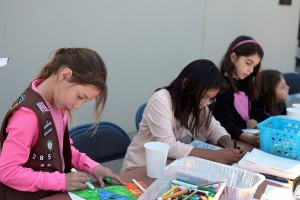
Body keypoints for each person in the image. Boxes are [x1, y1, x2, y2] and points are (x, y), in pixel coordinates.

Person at [0, 47, 124, 199]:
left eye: (84, 101)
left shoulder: (58, 105)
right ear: (65, 75)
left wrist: (93, 167)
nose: (78, 106)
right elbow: (6, 171)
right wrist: (61, 181)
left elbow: (60, 150)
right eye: (79, 96)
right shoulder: (28, 115)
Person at [121, 59, 245, 172]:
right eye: (204, 97)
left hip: (170, 167)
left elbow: (213, 128)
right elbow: (168, 146)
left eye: (210, 99)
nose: (205, 103)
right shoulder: (161, 99)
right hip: (141, 169)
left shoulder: (198, 104)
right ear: (185, 84)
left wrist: (229, 146)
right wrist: (216, 155)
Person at [213, 35, 264, 147]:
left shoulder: (248, 83)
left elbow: (259, 109)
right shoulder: (220, 86)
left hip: (247, 138)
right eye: (248, 63)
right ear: (233, 57)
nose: (251, 70)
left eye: (254, 66)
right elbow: (224, 123)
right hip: (227, 142)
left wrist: (255, 119)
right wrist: (248, 138)